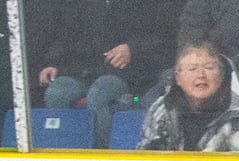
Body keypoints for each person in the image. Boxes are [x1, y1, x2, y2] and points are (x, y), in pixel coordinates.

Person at [31, 0, 179, 148]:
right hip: (82, 70)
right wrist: (52, 65)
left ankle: (103, 155)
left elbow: (166, 37)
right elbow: (62, 36)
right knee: (57, 92)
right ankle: (64, 154)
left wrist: (132, 49)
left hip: (133, 74)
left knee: (101, 93)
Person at [137, 41, 239, 152]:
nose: (201, 74)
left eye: (209, 68)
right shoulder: (162, 109)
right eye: (192, 69)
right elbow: (146, 160)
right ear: (178, 78)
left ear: (221, 76)